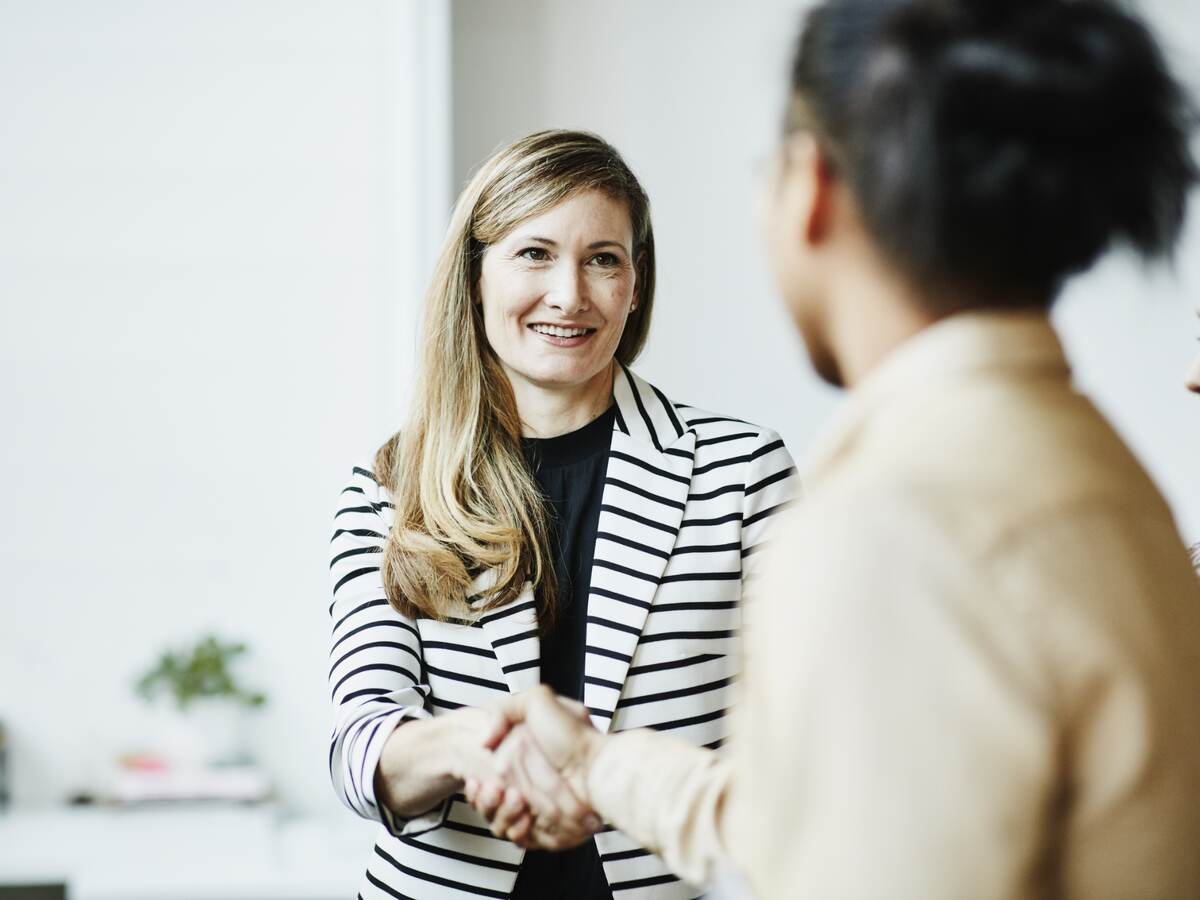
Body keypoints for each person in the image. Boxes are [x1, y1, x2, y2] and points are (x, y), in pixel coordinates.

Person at [481, 1, 1200, 898]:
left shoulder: (890, 524)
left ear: (810, 185)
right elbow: (817, 826)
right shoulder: (1109, 477)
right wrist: (597, 762)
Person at [325, 129, 798, 899]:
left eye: (602, 259)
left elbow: (802, 736)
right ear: (475, 277)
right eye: (534, 254)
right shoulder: (389, 485)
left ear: (635, 285)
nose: (569, 295)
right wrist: (476, 744)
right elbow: (360, 747)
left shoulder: (742, 473)